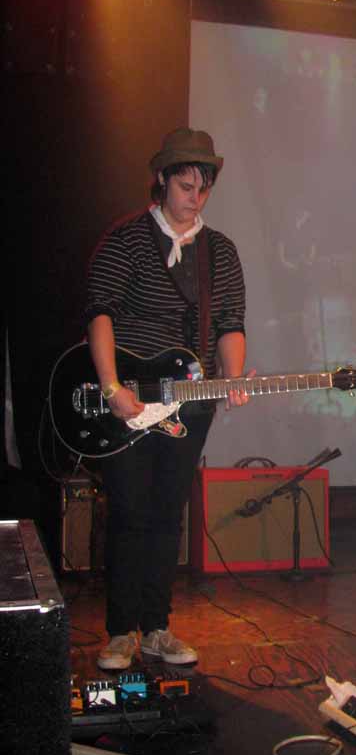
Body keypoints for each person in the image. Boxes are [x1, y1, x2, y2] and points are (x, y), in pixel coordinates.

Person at [86, 128, 248, 671]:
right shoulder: (126, 239)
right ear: (161, 179)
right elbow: (100, 314)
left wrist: (234, 377)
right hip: (129, 401)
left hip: (190, 403)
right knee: (130, 512)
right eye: (185, 186)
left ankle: (156, 627)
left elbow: (230, 324)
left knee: (166, 514)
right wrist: (112, 387)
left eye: (204, 189)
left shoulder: (220, 251)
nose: (195, 199)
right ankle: (119, 633)